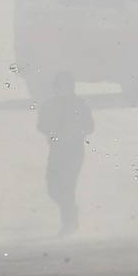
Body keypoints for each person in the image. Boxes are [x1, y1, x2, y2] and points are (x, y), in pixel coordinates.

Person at [37, 72, 93, 236]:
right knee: (53, 187)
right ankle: (70, 212)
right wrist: (54, 131)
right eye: (59, 86)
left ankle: (69, 224)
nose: (62, 89)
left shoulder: (80, 105)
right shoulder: (49, 105)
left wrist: (75, 132)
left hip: (74, 152)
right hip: (56, 151)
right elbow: (41, 125)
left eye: (65, 85)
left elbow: (90, 127)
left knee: (67, 187)